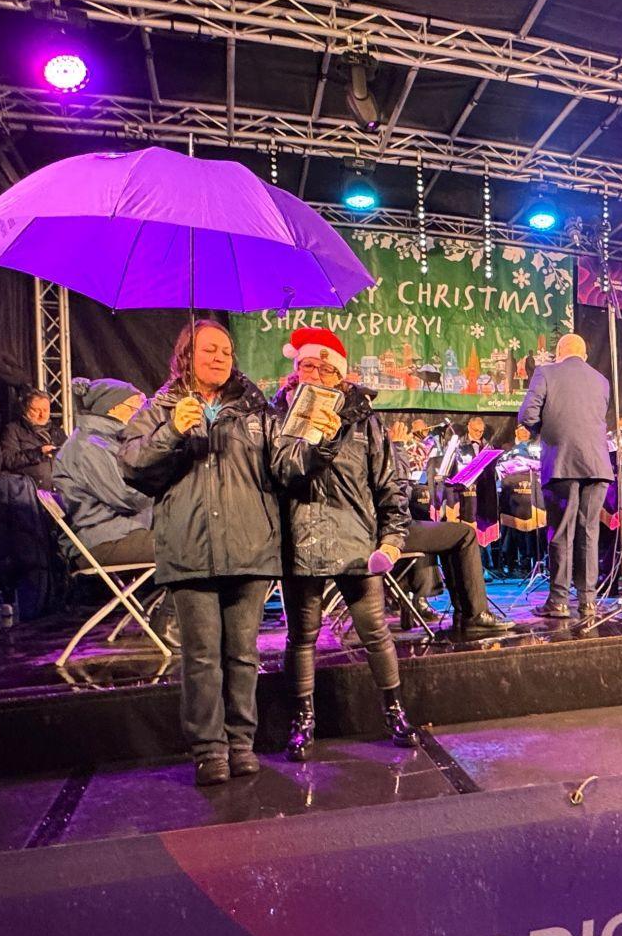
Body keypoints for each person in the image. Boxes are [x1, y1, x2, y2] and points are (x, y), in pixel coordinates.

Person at [119, 319, 290, 787]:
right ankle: (209, 748)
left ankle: (241, 743)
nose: (219, 358)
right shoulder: (161, 407)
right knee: (201, 657)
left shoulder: (256, 410)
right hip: (190, 549)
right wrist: (172, 431)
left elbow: (285, 465)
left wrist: (319, 439)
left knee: (242, 655)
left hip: (249, 548)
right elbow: (132, 466)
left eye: (227, 351)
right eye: (209, 350)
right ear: (185, 356)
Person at [270, 326, 420, 761]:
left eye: (321, 366)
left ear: (339, 373)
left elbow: (389, 484)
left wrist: (392, 539)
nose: (312, 373)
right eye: (304, 365)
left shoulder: (364, 420)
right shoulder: (279, 417)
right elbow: (278, 474)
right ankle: (303, 720)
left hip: (356, 541)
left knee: (374, 630)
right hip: (301, 540)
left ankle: (394, 710)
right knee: (302, 635)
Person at [516, 332, 614, 624]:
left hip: (561, 462)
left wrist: (545, 433)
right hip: (597, 466)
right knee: (589, 533)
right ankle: (588, 602)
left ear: (559, 353)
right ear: (583, 355)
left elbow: (527, 414)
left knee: (560, 532)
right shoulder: (601, 380)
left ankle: (558, 600)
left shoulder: (545, 372)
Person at [52, 377, 153, 566]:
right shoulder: (88, 447)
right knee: (190, 546)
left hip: (119, 531)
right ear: (114, 408)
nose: (143, 414)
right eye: (137, 408)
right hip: (101, 540)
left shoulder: (106, 441)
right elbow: (129, 497)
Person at [0, 389, 63, 488]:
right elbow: (8, 460)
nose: (42, 415)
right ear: (26, 409)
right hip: (30, 492)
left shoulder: (57, 432)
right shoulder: (13, 430)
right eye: (37, 410)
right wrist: (38, 453)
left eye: (46, 410)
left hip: (58, 492)